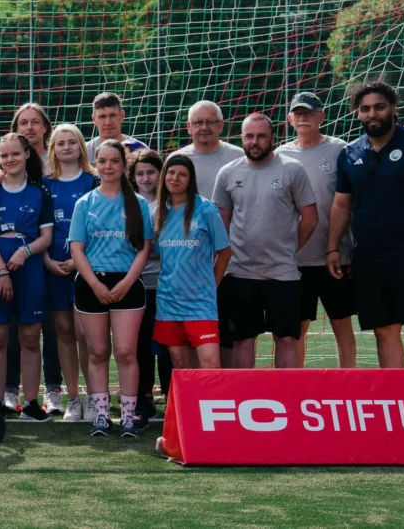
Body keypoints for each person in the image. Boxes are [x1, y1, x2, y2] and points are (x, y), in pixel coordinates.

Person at [327, 79, 404, 369]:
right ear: (358, 114)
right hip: (368, 259)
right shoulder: (349, 153)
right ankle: (397, 395)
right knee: (384, 331)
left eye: (379, 107)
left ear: (394, 109)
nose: (372, 114)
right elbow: (341, 205)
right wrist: (332, 248)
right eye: (365, 109)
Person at [213, 113, 317, 369]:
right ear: (241, 138)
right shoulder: (228, 172)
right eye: (249, 136)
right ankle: (245, 392)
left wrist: (290, 249)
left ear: (273, 138)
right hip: (240, 273)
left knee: (286, 339)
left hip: (282, 274)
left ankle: (284, 392)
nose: (255, 142)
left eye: (261, 136)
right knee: (243, 339)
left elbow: (310, 218)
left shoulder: (292, 169)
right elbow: (220, 225)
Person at [68, 139, 152, 438]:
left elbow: (144, 249)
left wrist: (127, 282)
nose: (108, 166)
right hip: (92, 285)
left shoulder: (138, 203)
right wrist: (95, 284)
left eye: (114, 161)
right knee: (98, 352)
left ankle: (128, 417)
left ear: (123, 165)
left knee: (126, 352)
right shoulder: (84, 203)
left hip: (128, 285)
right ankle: (102, 416)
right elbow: (77, 249)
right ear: (95, 165)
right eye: (102, 161)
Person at [0, 133, 54, 423]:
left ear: (27, 154)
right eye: (4, 155)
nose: (10, 160)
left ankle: (31, 403)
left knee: (30, 337)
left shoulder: (39, 191)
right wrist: (2, 271)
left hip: (30, 266)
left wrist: (25, 251)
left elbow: (46, 237)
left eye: (15, 154)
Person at [276, 91, 356, 368]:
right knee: (297, 329)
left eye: (309, 112)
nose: (303, 118)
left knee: (341, 323)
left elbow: (350, 200)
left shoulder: (341, 149)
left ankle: (348, 382)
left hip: (335, 256)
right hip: (296, 259)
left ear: (321, 116)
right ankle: (298, 384)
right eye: (298, 113)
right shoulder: (280, 155)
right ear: (289, 119)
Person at [152, 154, 231, 370]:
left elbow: (225, 251)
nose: (175, 178)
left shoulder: (206, 209)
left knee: (210, 363)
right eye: (171, 173)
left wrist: (212, 285)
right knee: (180, 364)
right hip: (168, 301)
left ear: (190, 180)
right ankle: (188, 397)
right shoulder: (158, 213)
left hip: (200, 303)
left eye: (182, 174)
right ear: (164, 176)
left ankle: (211, 396)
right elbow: (154, 252)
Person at [39, 124, 95, 420]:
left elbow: (100, 227)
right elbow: (36, 227)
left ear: (81, 146)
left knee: (86, 334)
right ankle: (73, 398)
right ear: (53, 149)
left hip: (85, 266)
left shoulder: (93, 180)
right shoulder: (44, 185)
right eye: (60, 143)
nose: (66, 147)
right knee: (63, 331)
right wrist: (47, 259)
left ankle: (94, 395)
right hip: (53, 265)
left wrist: (78, 260)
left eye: (72, 142)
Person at [128, 149, 170, 419]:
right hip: (137, 283)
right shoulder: (128, 204)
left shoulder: (170, 204)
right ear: (132, 177)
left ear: (160, 174)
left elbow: (171, 244)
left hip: (166, 283)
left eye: (151, 172)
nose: (145, 178)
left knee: (167, 342)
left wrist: (149, 247)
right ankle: (143, 395)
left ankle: (171, 393)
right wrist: (146, 247)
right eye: (140, 173)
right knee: (140, 343)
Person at [171, 101, 245, 199]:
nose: (204, 127)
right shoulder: (175, 160)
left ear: (221, 125)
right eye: (198, 122)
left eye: (210, 122)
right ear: (189, 127)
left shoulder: (239, 157)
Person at [85, 92, 149, 163]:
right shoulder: (84, 152)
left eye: (112, 115)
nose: (108, 122)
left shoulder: (140, 150)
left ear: (122, 115)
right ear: (94, 119)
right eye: (102, 116)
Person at [12, 102, 52, 167]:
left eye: (35, 122)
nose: (29, 127)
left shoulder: (58, 161)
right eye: (23, 123)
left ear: (45, 127)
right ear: (16, 129)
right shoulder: (7, 163)